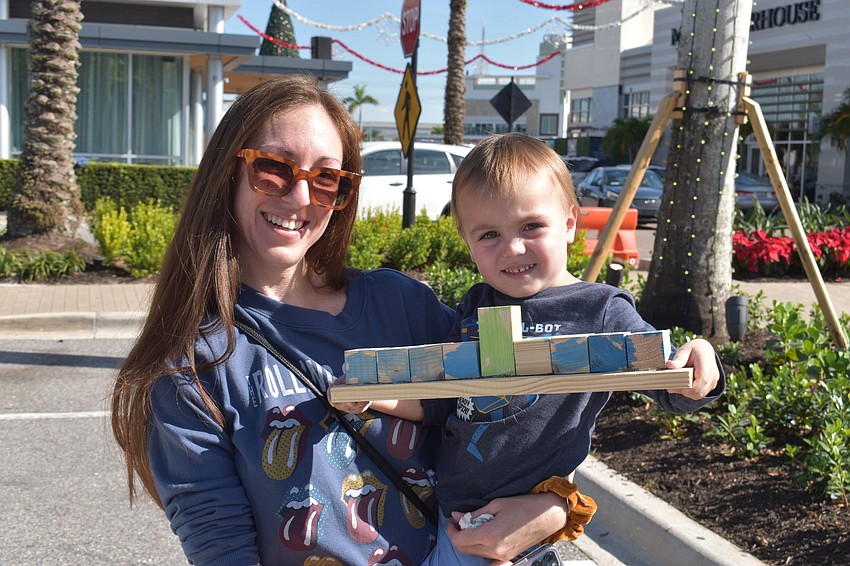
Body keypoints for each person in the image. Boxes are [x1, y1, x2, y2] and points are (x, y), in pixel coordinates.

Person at [110, 77, 573, 566]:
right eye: (273, 169)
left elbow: (521, 410)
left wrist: (558, 506)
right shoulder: (191, 367)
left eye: (326, 179)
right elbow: (221, 546)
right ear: (227, 171)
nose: (299, 197)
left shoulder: (402, 304)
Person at [332, 133, 725, 565]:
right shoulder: (480, 305)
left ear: (570, 223)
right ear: (467, 241)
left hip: (524, 526)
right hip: (452, 513)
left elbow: (667, 380)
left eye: (531, 226)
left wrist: (701, 360)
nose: (513, 248)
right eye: (489, 235)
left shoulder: (598, 309)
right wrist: (375, 398)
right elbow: (443, 399)